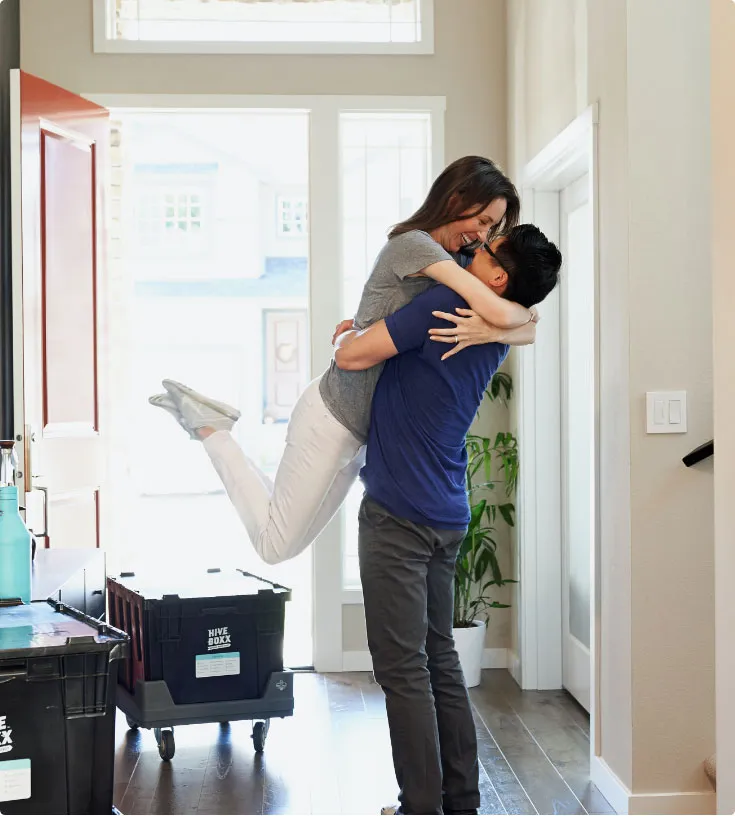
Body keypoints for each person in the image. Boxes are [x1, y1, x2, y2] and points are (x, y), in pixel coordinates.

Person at [149, 156, 536, 565]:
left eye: (492, 228)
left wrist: (495, 330)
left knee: (285, 541)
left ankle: (214, 424)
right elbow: (494, 304)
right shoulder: (415, 246)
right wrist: (501, 321)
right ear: (457, 198)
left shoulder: (458, 257)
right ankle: (212, 429)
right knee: (273, 546)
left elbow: (529, 324)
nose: (483, 234)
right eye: (484, 220)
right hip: (332, 416)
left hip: (360, 436)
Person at [333, 226, 562, 816]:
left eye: (483, 250)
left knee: (403, 670)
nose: (470, 251)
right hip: (445, 511)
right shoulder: (503, 327)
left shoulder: (447, 304)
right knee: (437, 659)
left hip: (398, 513)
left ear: (496, 278)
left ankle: (420, 810)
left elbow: (353, 355)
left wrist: (349, 338)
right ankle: (459, 803)